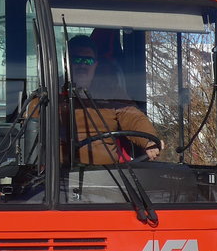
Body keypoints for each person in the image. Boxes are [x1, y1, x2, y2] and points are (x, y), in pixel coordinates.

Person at [64, 34, 162, 164]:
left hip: (109, 176)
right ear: (66, 63)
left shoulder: (110, 91)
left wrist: (149, 140)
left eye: (88, 61)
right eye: (76, 60)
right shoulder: (50, 94)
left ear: (95, 65)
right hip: (60, 176)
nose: (82, 65)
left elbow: (132, 116)